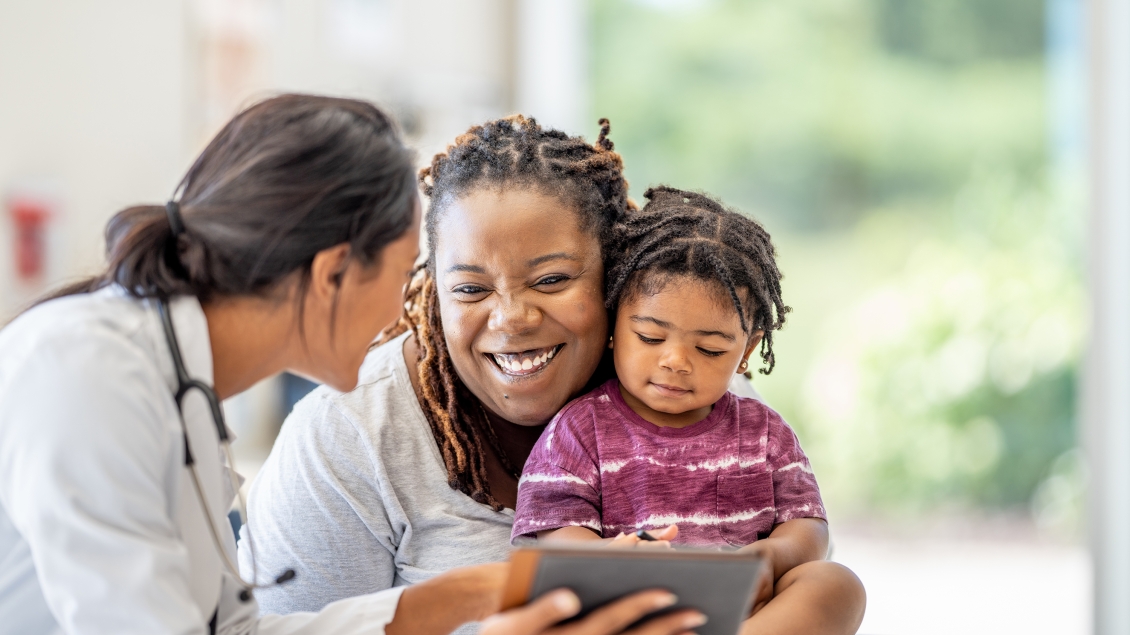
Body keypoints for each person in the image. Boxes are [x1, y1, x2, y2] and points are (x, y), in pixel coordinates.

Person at [0, 95, 699, 635]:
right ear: (335, 273)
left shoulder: (180, 387)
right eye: (411, 278)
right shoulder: (86, 371)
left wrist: (489, 591)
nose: (408, 317)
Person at [244, 116, 724, 635]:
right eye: (471, 289)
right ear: (434, 291)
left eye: (552, 279)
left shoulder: (688, 381)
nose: (511, 318)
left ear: (615, 270)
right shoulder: (345, 438)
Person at [511, 187, 866, 635]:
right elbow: (556, 539)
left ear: (745, 352)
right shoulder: (578, 431)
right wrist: (621, 557)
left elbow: (808, 527)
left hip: (745, 611)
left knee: (836, 583)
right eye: (651, 338)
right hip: (635, 610)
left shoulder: (764, 432)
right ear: (615, 323)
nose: (676, 361)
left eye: (709, 348)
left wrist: (771, 557)